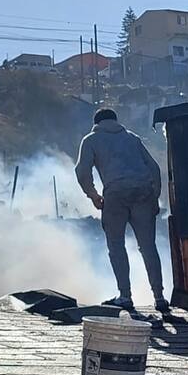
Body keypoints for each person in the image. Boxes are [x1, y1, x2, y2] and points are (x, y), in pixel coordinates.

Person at [75, 108, 168, 312]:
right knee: (148, 247)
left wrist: (93, 195)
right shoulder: (132, 138)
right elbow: (153, 168)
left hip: (115, 194)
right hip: (143, 193)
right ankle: (159, 297)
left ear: (96, 123)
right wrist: (154, 196)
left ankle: (125, 296)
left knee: (116, 246)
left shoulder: (91, 140)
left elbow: (82, 171)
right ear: (116, 121)